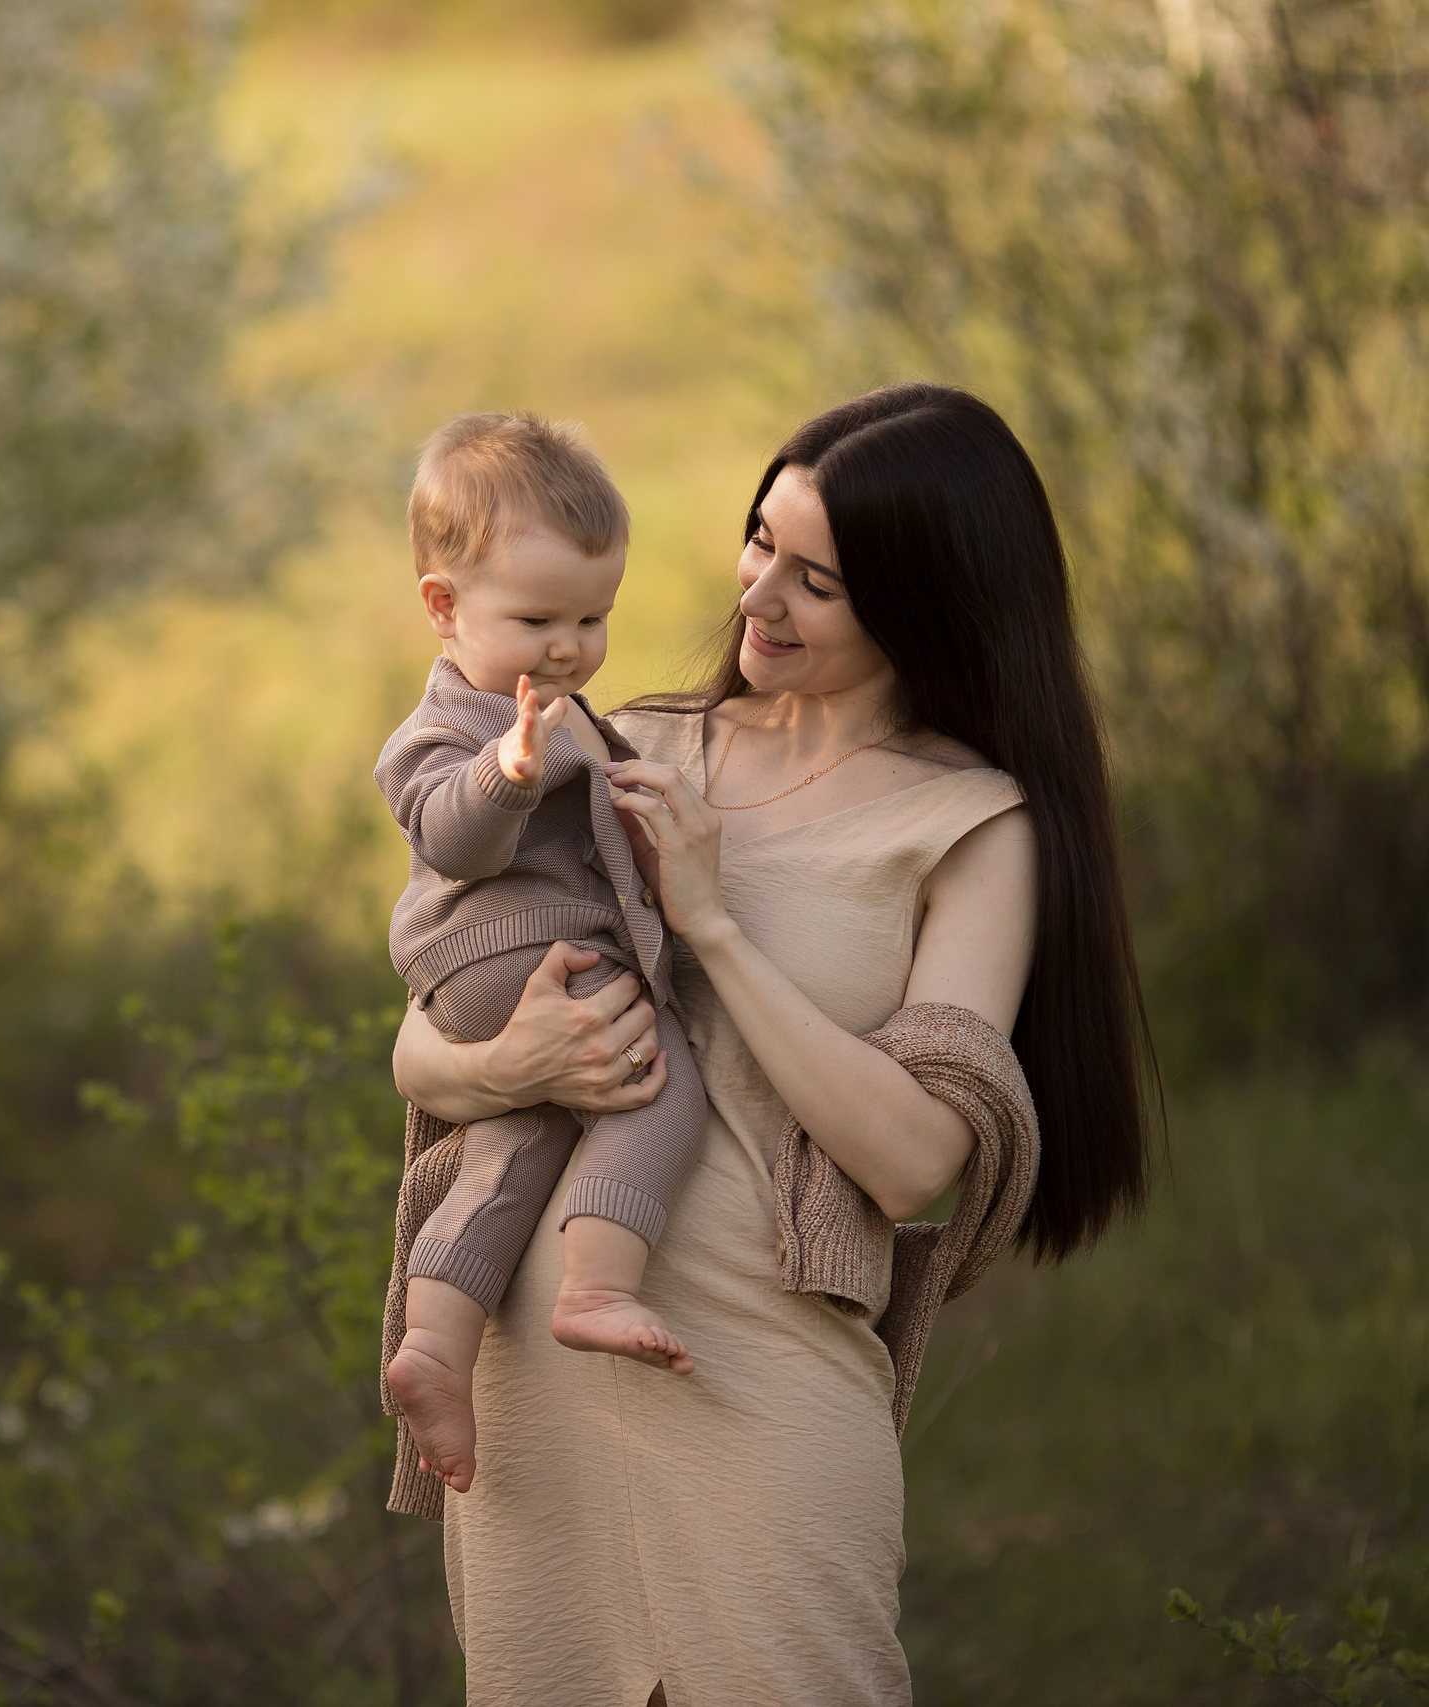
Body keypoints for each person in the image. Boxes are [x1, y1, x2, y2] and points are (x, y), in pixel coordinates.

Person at [390, 384, 1155, 1703]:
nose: (757, 598)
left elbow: (916, 1161)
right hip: (533, 1395)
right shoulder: (627, 740)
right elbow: (425, 1026)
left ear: (928, 602)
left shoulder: (970, 825)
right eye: (760, 541)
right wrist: (500, 1067)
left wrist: (717, 927)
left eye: (818, 581)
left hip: (763, 1389)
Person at [375, 414, 709, 1508]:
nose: (567, 648)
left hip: (495, 982)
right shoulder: (453, 727)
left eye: (593, 617)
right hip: (510, 951)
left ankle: (434, 1342)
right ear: (442, 606)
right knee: (656, 1073)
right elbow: (447, 835)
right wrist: (508, 770)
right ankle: (600, 1283)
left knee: (507, 1149)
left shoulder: (560, 707)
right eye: (535, 619)